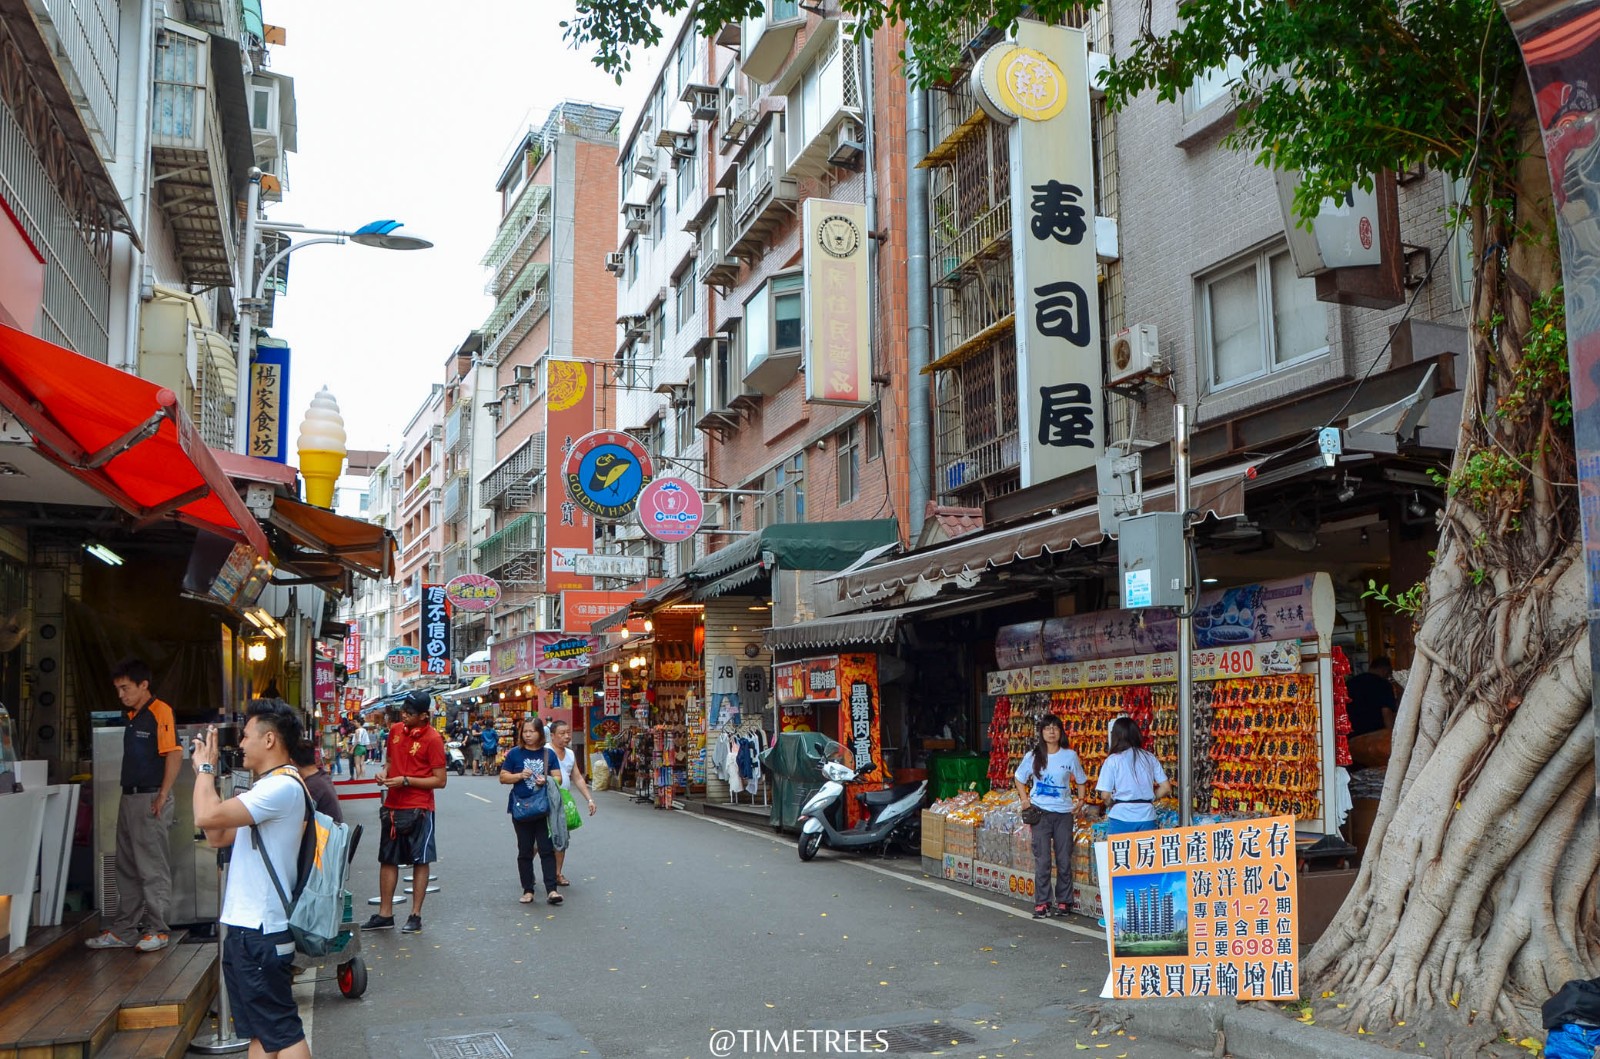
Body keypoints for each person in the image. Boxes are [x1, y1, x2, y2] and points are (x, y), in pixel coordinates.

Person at [189, 699, 314, 1059]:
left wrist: (206, 769)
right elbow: (217, 836)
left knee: (283, 1032)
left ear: (270, 739)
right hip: (247, 928)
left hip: (261, 929)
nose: (240, 744)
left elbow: (206, 817)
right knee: (260, 1033)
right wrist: (207, 778)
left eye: (246, 736)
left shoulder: (282, 788)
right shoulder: (267, 788)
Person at [88, 659, 183, 952]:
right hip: (128, 796)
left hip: (151, 797)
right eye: (117, 689)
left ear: (144, 685)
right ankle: (124, 930)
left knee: (151, 866)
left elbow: (173, 754)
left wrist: (163, 795)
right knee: (125, 866)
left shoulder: (160, 711)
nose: (121, 694)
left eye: (125, 688)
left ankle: (158, 930)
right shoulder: (133, 715)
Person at [362, 691, 446, 934]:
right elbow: (389, 762)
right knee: (387, 858)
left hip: (420, 807)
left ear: (424, 716)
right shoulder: (396, 731)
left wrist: (406, 781)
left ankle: (415, 914)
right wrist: (384, 774)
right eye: (403, 712)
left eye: (410, 714)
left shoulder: (433, 739)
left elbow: (440, 780)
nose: (404, 717)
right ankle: (385, 913)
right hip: (392, 806)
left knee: (421, 860)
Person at [1014, 714, 1086, 920]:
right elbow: (1019, 778)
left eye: (1055, 728)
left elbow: (1081, 779)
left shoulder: (1070, 756)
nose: (1051, 732)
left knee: (1064, 858)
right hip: (1040, 814)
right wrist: (1024, 799)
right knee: (1043, 859)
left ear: (1061, 732)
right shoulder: (1033, 756)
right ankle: (1042, 902)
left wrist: (1080, 801)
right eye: (1047, 728)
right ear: (1042, 733)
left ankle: (1064, 901)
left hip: (1064, 814)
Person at [500, 717, 563, 906]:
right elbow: (503, 777)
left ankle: (552, 890)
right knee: (525, 850)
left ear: (540, 734)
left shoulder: (548, 755)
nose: (528, 735)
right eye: (525, 732)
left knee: (546, 849)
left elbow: (558, 778)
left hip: (543, 808)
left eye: (531, 732)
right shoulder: (514, 754)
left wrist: (547, 780)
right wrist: (519, 775)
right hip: (521, 808)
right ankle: (528, 890)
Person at [1095, 716, 1170, 836]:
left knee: (1121, 854)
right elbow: (1166, 787)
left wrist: (1111, 804)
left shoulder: (1113, 760)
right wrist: (1149, 798)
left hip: (1121, 817)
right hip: (1147, 816)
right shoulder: (1149, 757)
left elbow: (1105, 795)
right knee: (1145, 852)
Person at [548, 720, 597, 887]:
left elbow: (577, 777)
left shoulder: (570, 754)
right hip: (546, 800)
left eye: (568, 733)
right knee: (540, 839)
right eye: (562, 733)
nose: (567, 736)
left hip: (563, 800)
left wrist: (589, 799)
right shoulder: (545, 752)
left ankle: (557, 874)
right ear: (552, 736)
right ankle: (528, 871)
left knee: (562, 837)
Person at [290, 739, 343, 823]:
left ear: (292, 762)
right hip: (334, 831)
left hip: (325, 834)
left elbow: (299, 821)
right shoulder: (322, 777)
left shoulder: (311, 786)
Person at [1347, 656, 1398, 736]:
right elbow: (1386, 712)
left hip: (1351, 734)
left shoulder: (1351, 683)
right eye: (1388, 674)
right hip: (1375, 736)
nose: (1387, 676)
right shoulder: (1384, 685)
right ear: (1385, 670)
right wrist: (1392, 735)